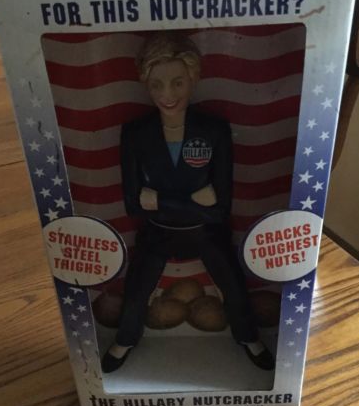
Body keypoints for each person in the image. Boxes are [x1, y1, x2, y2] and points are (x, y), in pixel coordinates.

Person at [101, 31, 274, 372]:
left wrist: (160, 199)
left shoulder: (214, 130)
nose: (167, 94)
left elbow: (220, 207)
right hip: (157, 231)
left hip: (206, 231)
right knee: (136, 289)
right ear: (145, 83)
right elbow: (134, 205)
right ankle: (125, 339)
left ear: (193, 79)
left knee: (233, 285)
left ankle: (248, 336)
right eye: (157, 84)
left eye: (177, 83)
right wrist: (192, 201)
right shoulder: (136, 133)